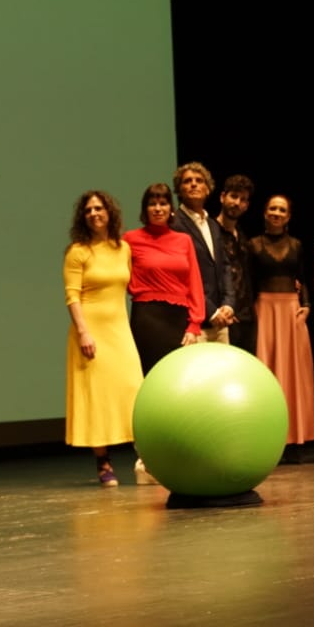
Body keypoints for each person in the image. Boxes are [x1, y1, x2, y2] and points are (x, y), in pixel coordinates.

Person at [123, 183, 204, 484]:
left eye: (162, 202)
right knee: (149, 390)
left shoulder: (183, 240)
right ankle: (146, 458)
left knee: (179, 389)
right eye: (152, 203)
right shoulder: (130, 240)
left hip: (178, 320)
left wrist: (194, 323)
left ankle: (177, 453)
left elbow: (194, 282)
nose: (158, 207)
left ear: (170, 208)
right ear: (144, 209)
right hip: (147, 318)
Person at [62, 190, 144, 487]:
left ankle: (146, 458)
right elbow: (72, 296)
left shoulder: (123, 248)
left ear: (109, 212)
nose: (94, 213)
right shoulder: (78, 252)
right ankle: (103, 462)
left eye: (99, 208)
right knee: (96, 396)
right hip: (90, 329)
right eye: (88, 210)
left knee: (133, 389)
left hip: (119, 329)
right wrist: (84, 331)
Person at [247, 195, 314, 460]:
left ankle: (295, 437)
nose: (277, 213)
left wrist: (308, 304)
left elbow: (303, 276)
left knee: (294, 372)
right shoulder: (252, 245)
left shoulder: (297, 245)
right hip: (265, 310)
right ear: (265, 213)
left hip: (292, 310)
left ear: (288, 216)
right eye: (272, 208)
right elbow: (250, 281)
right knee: (269, 371)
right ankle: (268, 436)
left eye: (282, 210)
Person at [170, 162, 233, 344]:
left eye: (199, 181)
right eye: (187, 181)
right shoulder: (174, 225)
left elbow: (225, 266)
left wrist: (228, 304)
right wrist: (210, 311)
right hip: (192, 322)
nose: (194, 184)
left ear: (208, 189)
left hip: (221, 320)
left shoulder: (213, 225)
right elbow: (181, 276)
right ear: (179, 190)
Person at [216, 174, 258, 356]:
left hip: (247, 317)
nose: (237, 203)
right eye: (234, 196)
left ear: (247, 206)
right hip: (224, 317)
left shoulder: (242, 236)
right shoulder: (211, 231)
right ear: (222, 197)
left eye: (243, 200)